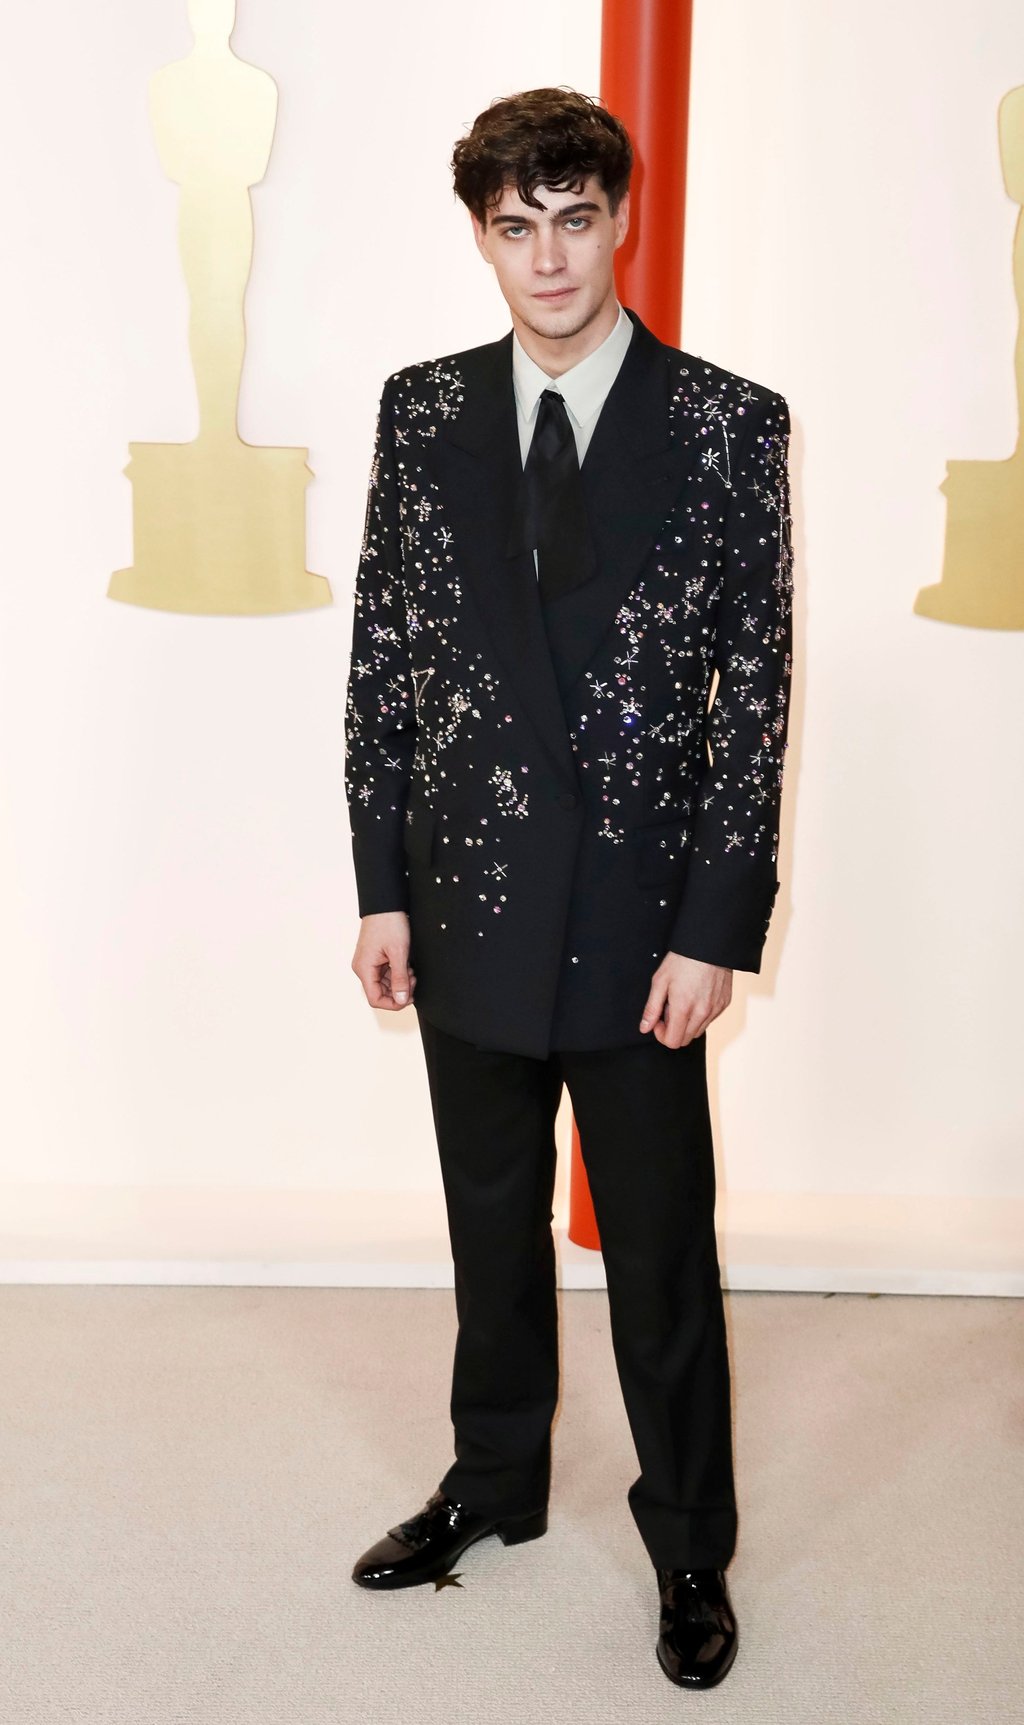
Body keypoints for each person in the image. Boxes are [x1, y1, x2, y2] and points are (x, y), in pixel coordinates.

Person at [343, 86, 793, 1691]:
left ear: (621, 221)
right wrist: (381, 883)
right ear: (482, 235)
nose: (547, 257)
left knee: (660, 1250)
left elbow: (757, 695)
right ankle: (493, 1480)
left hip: (637, 919)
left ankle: (690, 1544)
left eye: (575, 219)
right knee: (490, 1223)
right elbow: (385, 659)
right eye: (515, 226)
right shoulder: (422, 411)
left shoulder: (729, 422)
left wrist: (713, 927)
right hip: (464, 894)